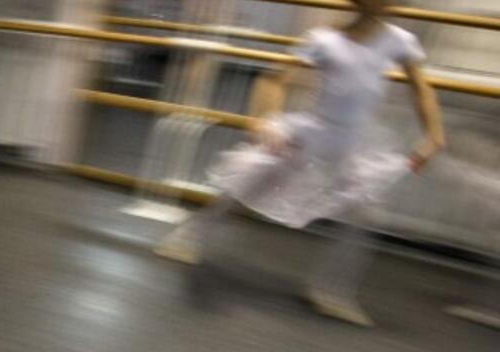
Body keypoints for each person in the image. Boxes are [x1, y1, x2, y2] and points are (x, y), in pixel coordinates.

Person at [154, 0, 444, 327]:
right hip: (313, 132)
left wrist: (433, 134)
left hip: (354, 142)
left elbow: (422, 90)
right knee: (250, 181)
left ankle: (331, 291)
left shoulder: (399, 40)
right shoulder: (325, 39)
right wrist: (267, 122)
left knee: (365, 215)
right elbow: (273, 80)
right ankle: (190, 234)